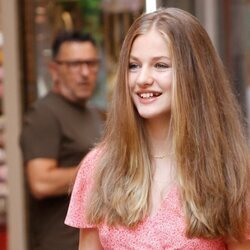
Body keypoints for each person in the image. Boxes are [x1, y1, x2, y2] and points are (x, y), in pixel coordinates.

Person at [65, 8, 250, 249]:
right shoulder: (99, 167)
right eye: (133, 66)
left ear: (194, 75)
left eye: (160, 65)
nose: (142, 78)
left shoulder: (230, 170)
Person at [20, 31, 104, 250]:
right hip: (58, 243)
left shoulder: (92, 113)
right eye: (75, 64)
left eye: (91, 63)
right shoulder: (44, 113)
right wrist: (102, 170)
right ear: (54, 69)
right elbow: (41, 182)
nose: (85, 73)